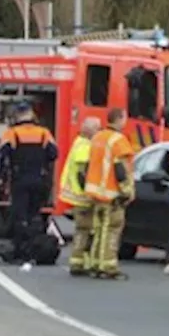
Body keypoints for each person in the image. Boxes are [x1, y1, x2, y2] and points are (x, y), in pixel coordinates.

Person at [0, 100, 58, 260]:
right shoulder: (44, 133)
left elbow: (1, 157)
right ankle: (34, 247)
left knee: (20, 215)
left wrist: (0, 177)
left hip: (20, 180)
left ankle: (20, 249)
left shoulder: (12, 133)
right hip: (39, 179)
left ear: (18, 116)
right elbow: (53, 154)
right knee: (34, 215)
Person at [82, 107, 135, 280]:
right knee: (112, 230)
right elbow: (121, 169)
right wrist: (127, 190)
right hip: (111, 193)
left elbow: (89, 165)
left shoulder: (97, 137)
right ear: (120, 119)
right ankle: (108, 266)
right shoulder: (119, 140)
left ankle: (96, 263)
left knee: (98, 230)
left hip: (95, 192)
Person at [63, 117, 101, 276]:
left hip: (78, 196)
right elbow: (82, 173)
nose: (99, 132)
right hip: (83, 197)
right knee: (86, 230)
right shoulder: (84, 146)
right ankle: (80, 263)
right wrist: (91, 192)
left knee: (83, 230)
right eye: (97, 129)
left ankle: (79, 261)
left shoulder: (79, 143)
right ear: (89, 129)